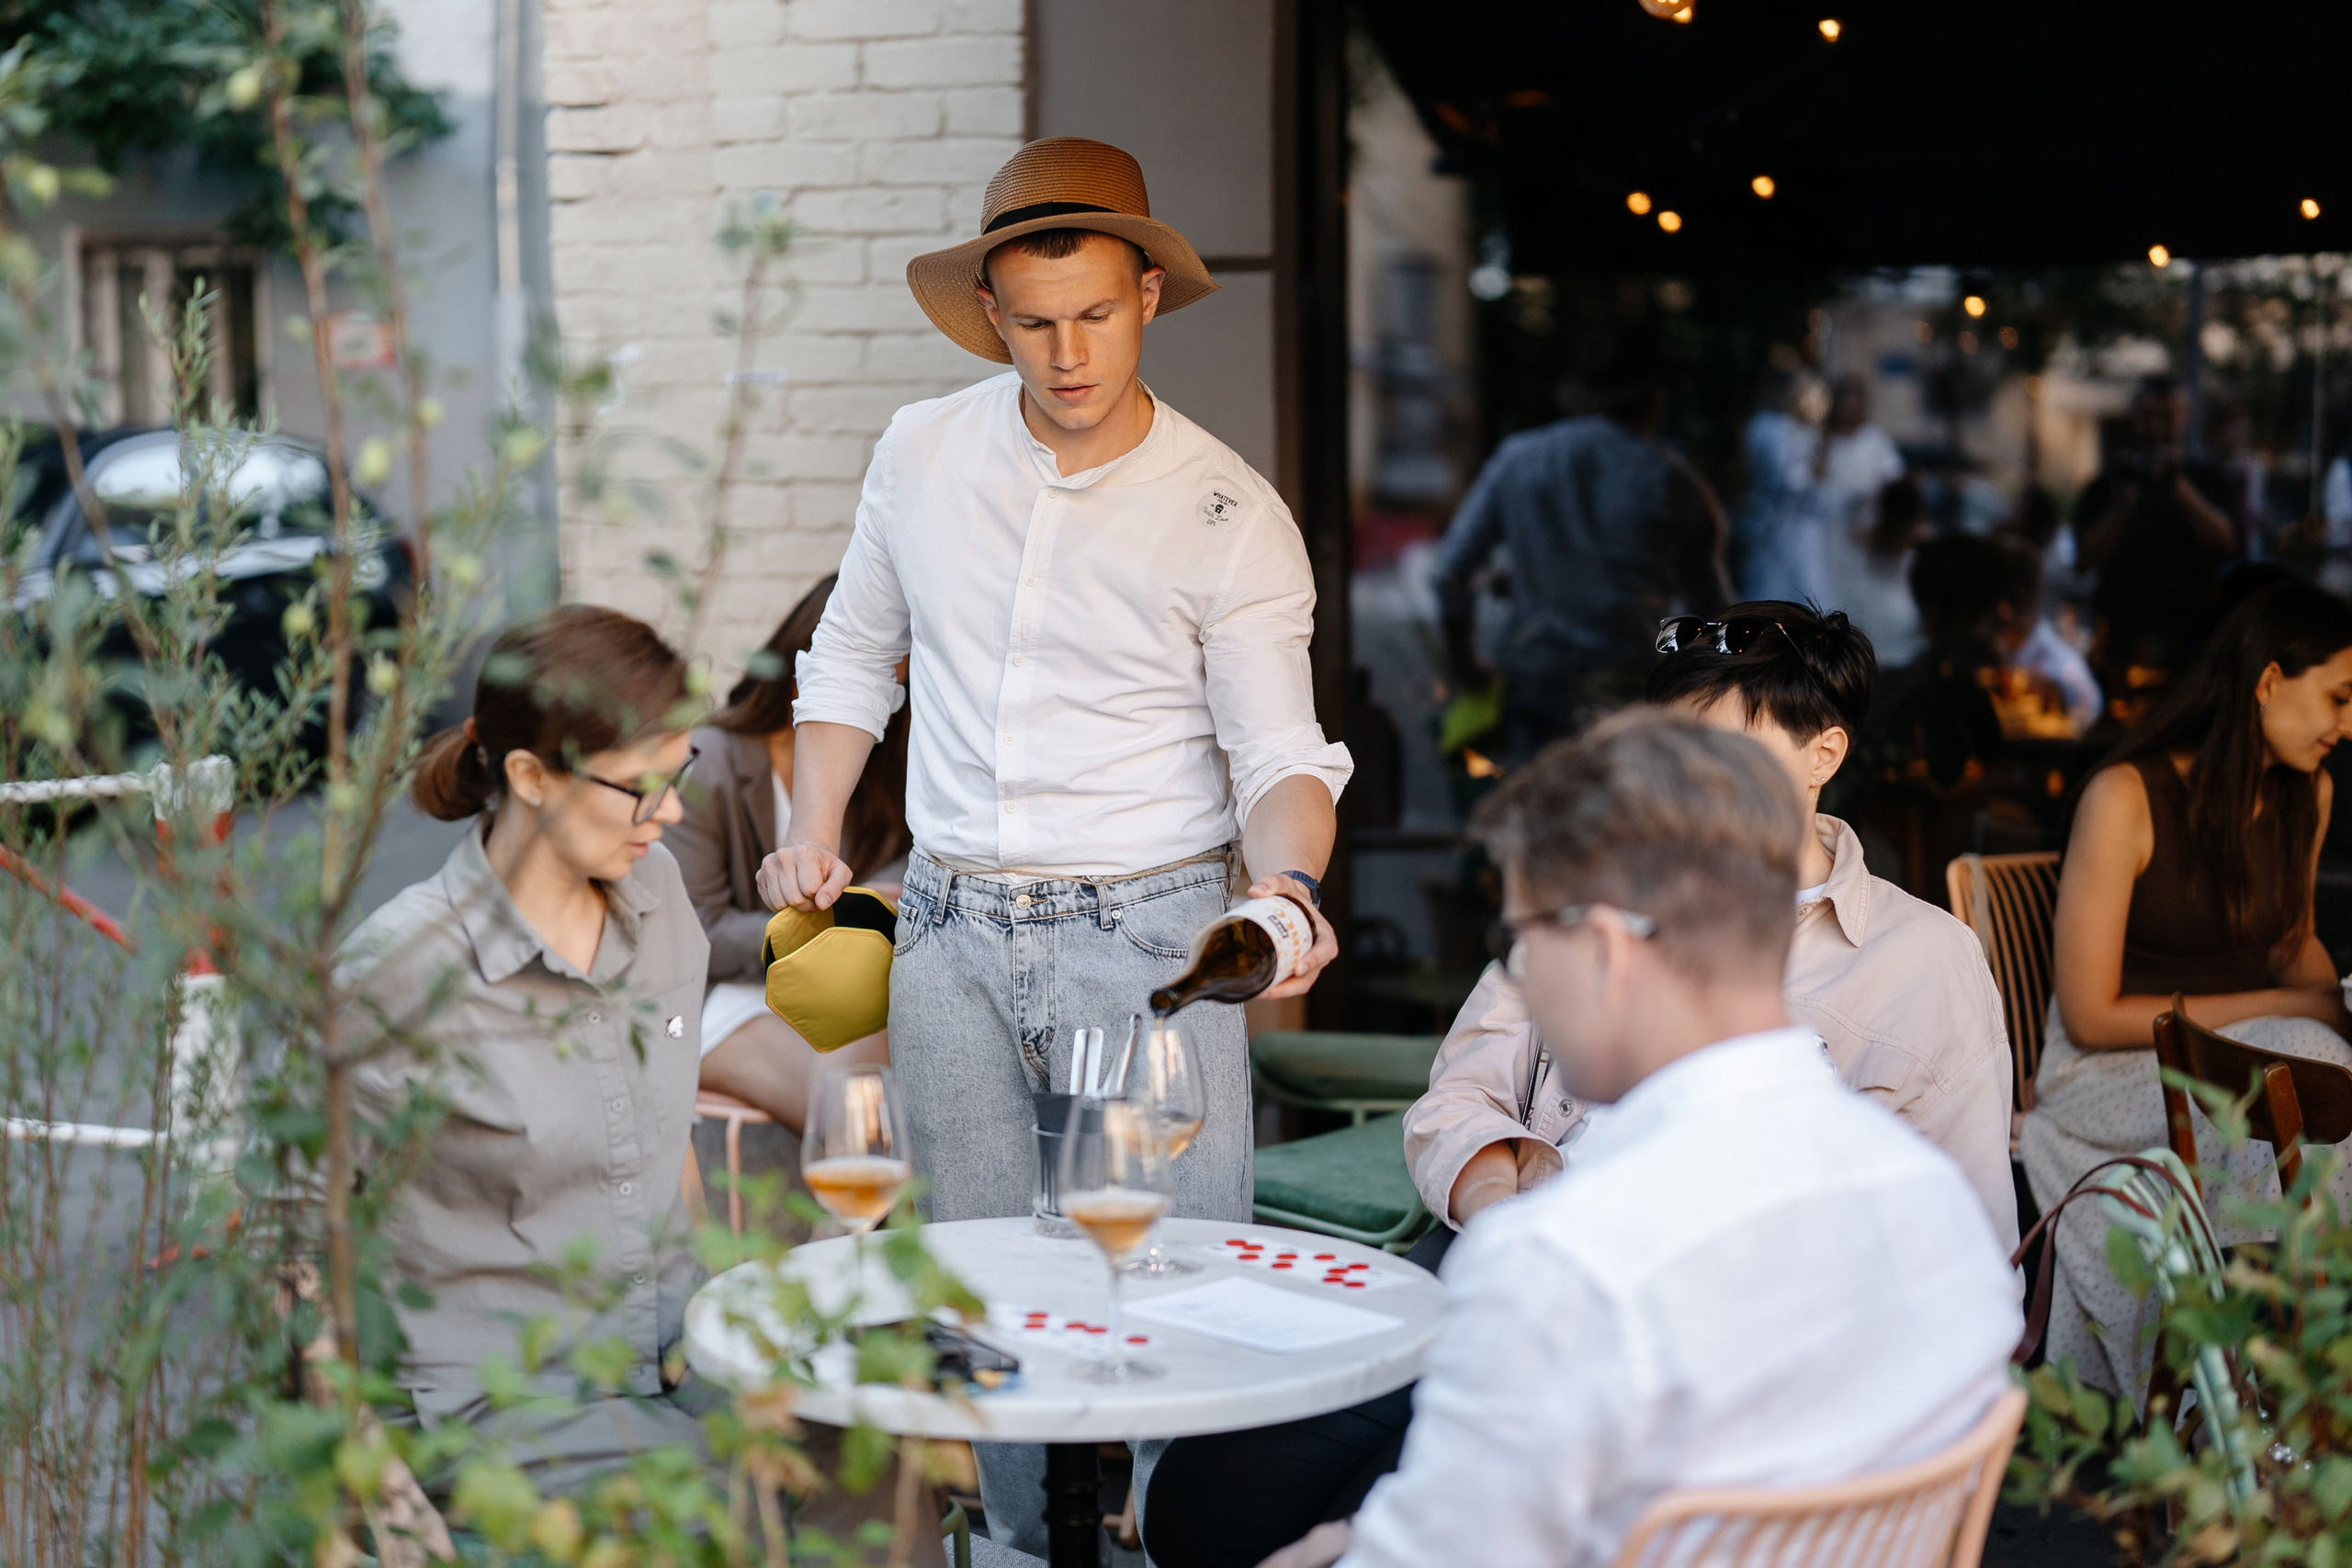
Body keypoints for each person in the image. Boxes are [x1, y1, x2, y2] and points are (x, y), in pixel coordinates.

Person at [1146, 605, 2018, 1568]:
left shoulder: (1569, 1265)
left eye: (1523, 939)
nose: (1515, 970)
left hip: (1615, 1394)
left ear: (1607, 949)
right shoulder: (1926, 1211)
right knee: (1220, 1497)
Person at [763, 137, 1352, 1552]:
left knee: (1162, 1306)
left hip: (1152, 946)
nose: (1065, 350)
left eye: (1093, 312)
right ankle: (1032, 1550)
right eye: (1031, 321)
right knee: (986, 1304)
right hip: (953, 934)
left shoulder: (1229, 512)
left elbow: (1281, 756)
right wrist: (809, 826)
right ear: (991, 314)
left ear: (1148, 293)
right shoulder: (920, 450)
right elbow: (852, 658)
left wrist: (1288, 886)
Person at [343, 606, 711, 1491]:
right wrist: (375, 1491)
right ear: (530, 775)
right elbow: (286, 1239)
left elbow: (672, 1146)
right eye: (640, 785)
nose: (673, 810)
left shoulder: (656, 890)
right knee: (737, 1511)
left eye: (680, 772)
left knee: (879, 1478)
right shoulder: (397, 969)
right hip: (506, 1405)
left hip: (680, 1361)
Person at [2022, 579, 2352, 1404]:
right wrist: (2299, 1016)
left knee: (2321, 1061)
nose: (2347, 727)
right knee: (2308, 1063)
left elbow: (2288, 942)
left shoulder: (2304, 793)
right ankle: (2284, 1377)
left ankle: (2299, 1368)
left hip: (2241, 1060)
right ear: (2269, 681)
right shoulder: (2125, 796)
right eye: (2339, 698)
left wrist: (2336, 1001)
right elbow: (2092, 1015)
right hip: (2106, 1075)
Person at [673, 574, 907, 1132]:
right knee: (859, 1119)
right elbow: (694, 932)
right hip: (717, 997)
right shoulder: (711, 760)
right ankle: (851, 1217)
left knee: (885, 1105)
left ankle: (846, 1219)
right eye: (874, 686)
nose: (884, 709)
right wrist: (816, 930)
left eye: (896, 693)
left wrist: (879, 898)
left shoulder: (872, 771)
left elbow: (907, 852)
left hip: (830, 995)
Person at [1432, 372, 1729, 761]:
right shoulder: (1673, 480)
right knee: (1624, 811)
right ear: (1654, 402)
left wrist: (1465, 666)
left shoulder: (1518, 459)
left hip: (1533, 675)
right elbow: (1713, 611)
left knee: (1538, 804)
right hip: (1630, 683)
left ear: (1569, 396)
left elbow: (1451, 575)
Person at [2073, 374, 2238, 691]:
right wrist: (2123, 504)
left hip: (2192, 643)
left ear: (2185, 417)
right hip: (2123, 642)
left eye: (2167, 416)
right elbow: (2084, 559)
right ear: (2136, 417)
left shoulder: (2207, 479)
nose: (2157, 427)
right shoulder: (2110, 484)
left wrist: (2178, 485)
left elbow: (2226, 542)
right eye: (2149, 416)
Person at [1816, 377, 1913, 658]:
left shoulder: (1875, 443)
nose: (1848, 410)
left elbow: (1896, 485)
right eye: (1843, 403)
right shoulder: (1822, 443)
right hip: (1829, 540)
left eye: (1854, 404)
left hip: (1864, 539)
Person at [1732, 363, 1830, 604]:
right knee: (1775, 589)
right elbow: (1784, 479)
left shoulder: (1797, 429)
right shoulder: (1767, 426)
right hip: (1777, 526)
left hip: (1795, 526)